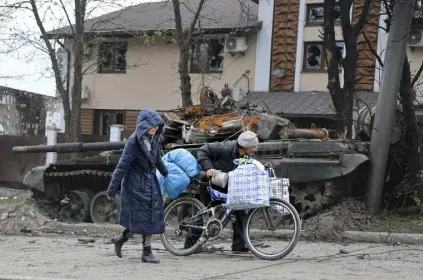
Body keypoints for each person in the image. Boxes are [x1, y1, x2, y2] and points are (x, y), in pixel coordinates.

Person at [106, 108, 169, 264]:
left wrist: (165, 172)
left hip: (149, 181)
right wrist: (112, 189)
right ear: (144, 126)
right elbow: (122, 166)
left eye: (157, 125)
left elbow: (157, 158)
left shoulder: (154, 138)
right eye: (152, 126)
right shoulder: (133, 142)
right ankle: (145, 252)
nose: (155, 128)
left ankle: (124, 241)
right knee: (142, 218)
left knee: (150, 217)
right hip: (134, 184)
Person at [185, 130, 259, 252]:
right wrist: (209, 169)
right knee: (209, 214)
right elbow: (203, 150)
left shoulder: (248, 154)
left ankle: (239, 244)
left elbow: (255, 164)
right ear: (245, 146)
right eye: (253, 147)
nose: (255, 149)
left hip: (230, 185)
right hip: (212, 184)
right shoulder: (226, 148)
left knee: (240, 210)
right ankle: (190, 244)